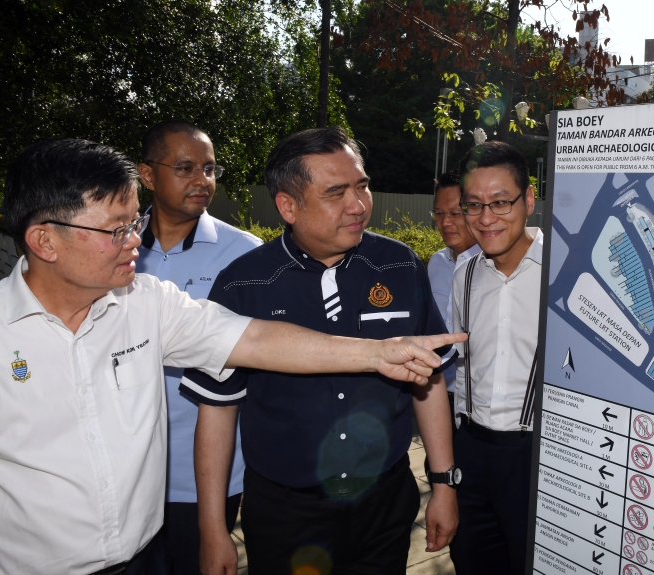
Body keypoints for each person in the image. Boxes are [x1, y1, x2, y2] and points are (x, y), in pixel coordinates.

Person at [0, 138, 463, 575]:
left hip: (147, 559)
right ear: (45, 240)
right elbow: (221, 405)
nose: (134, 240)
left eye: (132, 222)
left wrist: (379, 353)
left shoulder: (148, 304)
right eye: (115, 230)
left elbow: (261, 340)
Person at [185, 127, 461, 575]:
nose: (358, 205)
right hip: (286, 515)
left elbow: (427, 383)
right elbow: (217, 412)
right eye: (336, 193)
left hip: (385, 507)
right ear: (288, 206)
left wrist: (444, 484)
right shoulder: (243, 285)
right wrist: (213, 528)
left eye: (362, 186)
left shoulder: (400, 266)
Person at [135, 120, 262, 575]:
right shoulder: (113, 249)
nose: (201, 181)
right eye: (185, 167)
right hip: (126, 473)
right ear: (147, 175)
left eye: (209, 169)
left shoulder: (245, 255)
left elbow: (265, 351)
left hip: (205, 478)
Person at [448, 141, 541, 575]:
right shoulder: (463, 272)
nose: (486, 219)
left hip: (535, 455)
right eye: (473, 205)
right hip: (471, 450)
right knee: (471, 560)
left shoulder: (564, 269)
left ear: (529, 199)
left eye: (501, 203)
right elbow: (463, 364)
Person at [427, 170, 481, 418]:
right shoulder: (436, 263)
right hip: (436, 394)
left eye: (455, 213)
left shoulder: (493, 265)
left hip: (478, 403)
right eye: (439, 213)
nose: (445, 222)